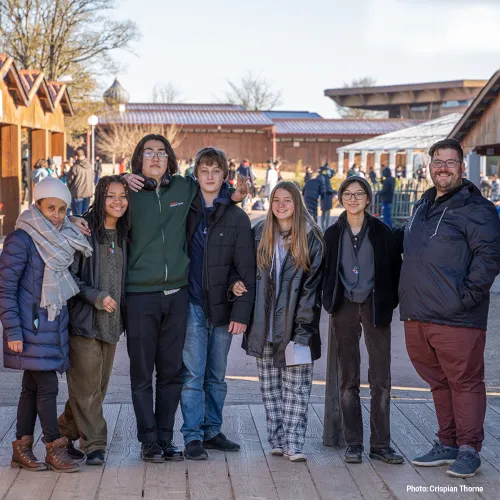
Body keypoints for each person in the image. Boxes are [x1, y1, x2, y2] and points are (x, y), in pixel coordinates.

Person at [78, 135, 248, 463]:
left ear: (169, 159)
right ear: (139, 160)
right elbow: (100, 211)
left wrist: (235, 195)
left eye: (161, 153)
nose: (155, 158)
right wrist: (77, 218)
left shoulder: (183, 189)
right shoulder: (127, 193)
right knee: (142, 373)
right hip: (140, 295)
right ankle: (149, 440)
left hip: (178, 295)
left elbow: (213, 190)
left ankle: (167, 438)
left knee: (171, 372)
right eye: (148, 153)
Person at [398, 139, 500, 478]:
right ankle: (448, 443)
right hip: (417, 315)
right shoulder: (422, 206)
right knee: (438, 383)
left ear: (461, 167)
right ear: (429, 167)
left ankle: (469, 448)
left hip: (457, 317)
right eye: (437, 161)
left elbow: (489, 257)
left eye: (450, 162)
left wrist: (467, 297)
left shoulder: (477, 209)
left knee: (465, 382)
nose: (443, 167)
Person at [0, 177, 92, 473]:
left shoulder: (62, 235)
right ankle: (54, 447)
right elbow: (5, 288)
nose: (56, 214)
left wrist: (74, 220)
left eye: (62, 209)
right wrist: (12, 330)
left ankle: (21, 448)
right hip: (29, 328)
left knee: (30, 388)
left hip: (51, 326)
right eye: (50, 207)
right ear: (37, 206)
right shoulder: (21, 239)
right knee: (48, 387)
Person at [235, 181, 323, 462]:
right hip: (263, 326)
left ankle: (293, 444)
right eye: (276, 200)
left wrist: (303, 330)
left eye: (287, 200)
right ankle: (276, 440)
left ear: (297, 204)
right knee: (270, 389)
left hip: (296, 328)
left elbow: (312, 290)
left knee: (296, 390)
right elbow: (244, 271)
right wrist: (235, 283)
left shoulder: (311, 237)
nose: (281, 205)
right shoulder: (260, 232)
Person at [181, 147, 256, 460]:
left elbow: (246, 268)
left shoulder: (237, 217)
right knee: (192, 375)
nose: (209, 176)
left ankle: (212, 430)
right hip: (191, 304)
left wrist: (241, 311)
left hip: (224, 308)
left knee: (217, 375)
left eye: (215, 171)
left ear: (224, 175)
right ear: (196, 175)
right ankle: (192, 435)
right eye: (204, 170)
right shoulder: (185, 209)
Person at [322, 177, 403, 465]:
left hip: (374, 306)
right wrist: (329, 300)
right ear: (341, 198)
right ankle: (353, 442)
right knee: (348, 378)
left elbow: (395, 270)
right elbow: (325, 270)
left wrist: (385, 301)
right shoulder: (332, 234)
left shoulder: (382, 232)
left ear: (368, 198)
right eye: (347, 194)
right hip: (344, 307)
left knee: (381, 378)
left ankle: (380, 444)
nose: (353, 199)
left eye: (359, 194)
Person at [58, 175, 130, 466]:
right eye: (111, 195)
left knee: (95, 389)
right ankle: (95, 445)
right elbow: (69, 275)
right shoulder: (83, 232)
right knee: (87, 389)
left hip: (112, 324)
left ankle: (60, 434)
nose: (117, 201)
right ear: (100, 198)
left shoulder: (126, 233)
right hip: (84, 321)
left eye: (123, 195)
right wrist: (95, 297)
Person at [67, 148, 94, 216]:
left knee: (77, 216)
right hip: (88, 193)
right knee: (85, 215)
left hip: (77, 194)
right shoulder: (90, 167)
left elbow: (69, 181)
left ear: (76, 156)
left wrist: (69, 189)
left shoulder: (75, 167)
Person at [319, 165, 335, 231]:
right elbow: (329, 189)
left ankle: (323, 226)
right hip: (327, 198)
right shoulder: (326, 179)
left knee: (323, 212)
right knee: (327, 213)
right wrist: (334, 191)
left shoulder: (322, 177)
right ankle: (326, 227)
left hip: (323, 198)